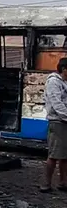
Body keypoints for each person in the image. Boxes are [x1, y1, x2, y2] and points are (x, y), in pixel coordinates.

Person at [41, 57, 67, 192]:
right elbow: (57, 104)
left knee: (65, 156)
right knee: (54, 155)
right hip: (57, 122)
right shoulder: (53, 82)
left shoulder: (64, 82)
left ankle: (63, 182)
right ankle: (46, 184)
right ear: (64, 69)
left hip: (64, 122)